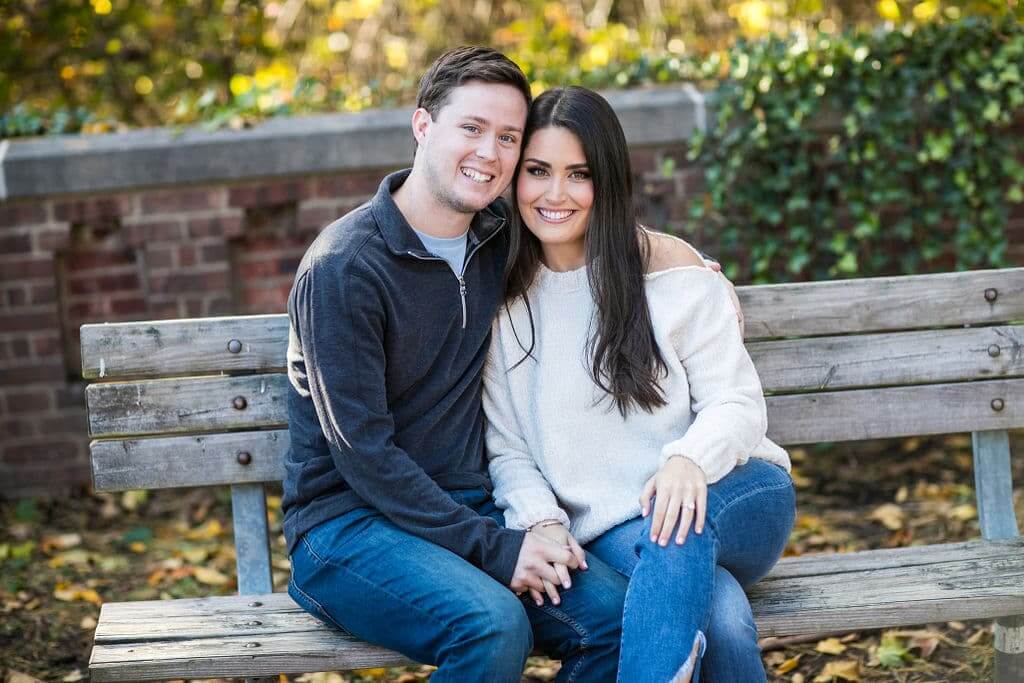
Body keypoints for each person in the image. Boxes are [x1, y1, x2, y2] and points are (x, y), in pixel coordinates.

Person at [281, 47, 633, 683]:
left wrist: (687, 264)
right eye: (471, 128)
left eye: (508, 137)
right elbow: (364, 454)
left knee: (613, 615)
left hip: (469, 507)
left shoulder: (501, 237)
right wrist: (498, 549)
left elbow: (598, 233)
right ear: (423, 125)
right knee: (491, 625)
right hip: (347, 527)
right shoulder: (345, 269)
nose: (489, 153)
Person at [484, 86, 796, 682]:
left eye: (579, 174)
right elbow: (508, 448)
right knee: (724, 615)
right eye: (538, 171)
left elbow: (736, 402)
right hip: (615, 532)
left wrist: (687, 460)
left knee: (678, 522)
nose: (555, 194)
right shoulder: (503, 306)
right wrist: (539, 518)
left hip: (735, 492)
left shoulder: (671, 277)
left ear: (607, 181)